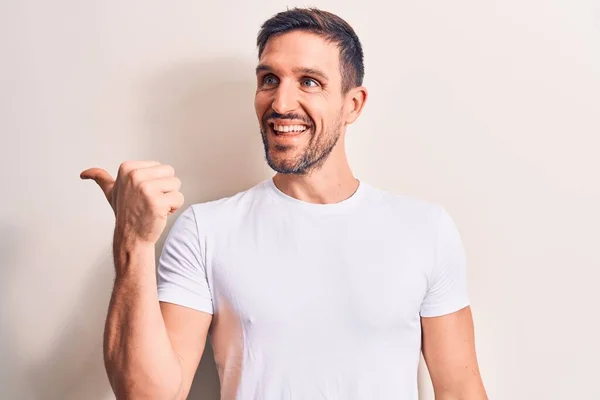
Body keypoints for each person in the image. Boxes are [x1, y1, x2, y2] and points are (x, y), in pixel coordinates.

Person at [81, 7, 487, 400]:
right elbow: (147, 396)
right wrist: (132, 243)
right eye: (269, 79)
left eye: (309, 81)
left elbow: (460, 390)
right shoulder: (207, 229)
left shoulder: (424, 229)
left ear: (353, 105)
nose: (280, 103)